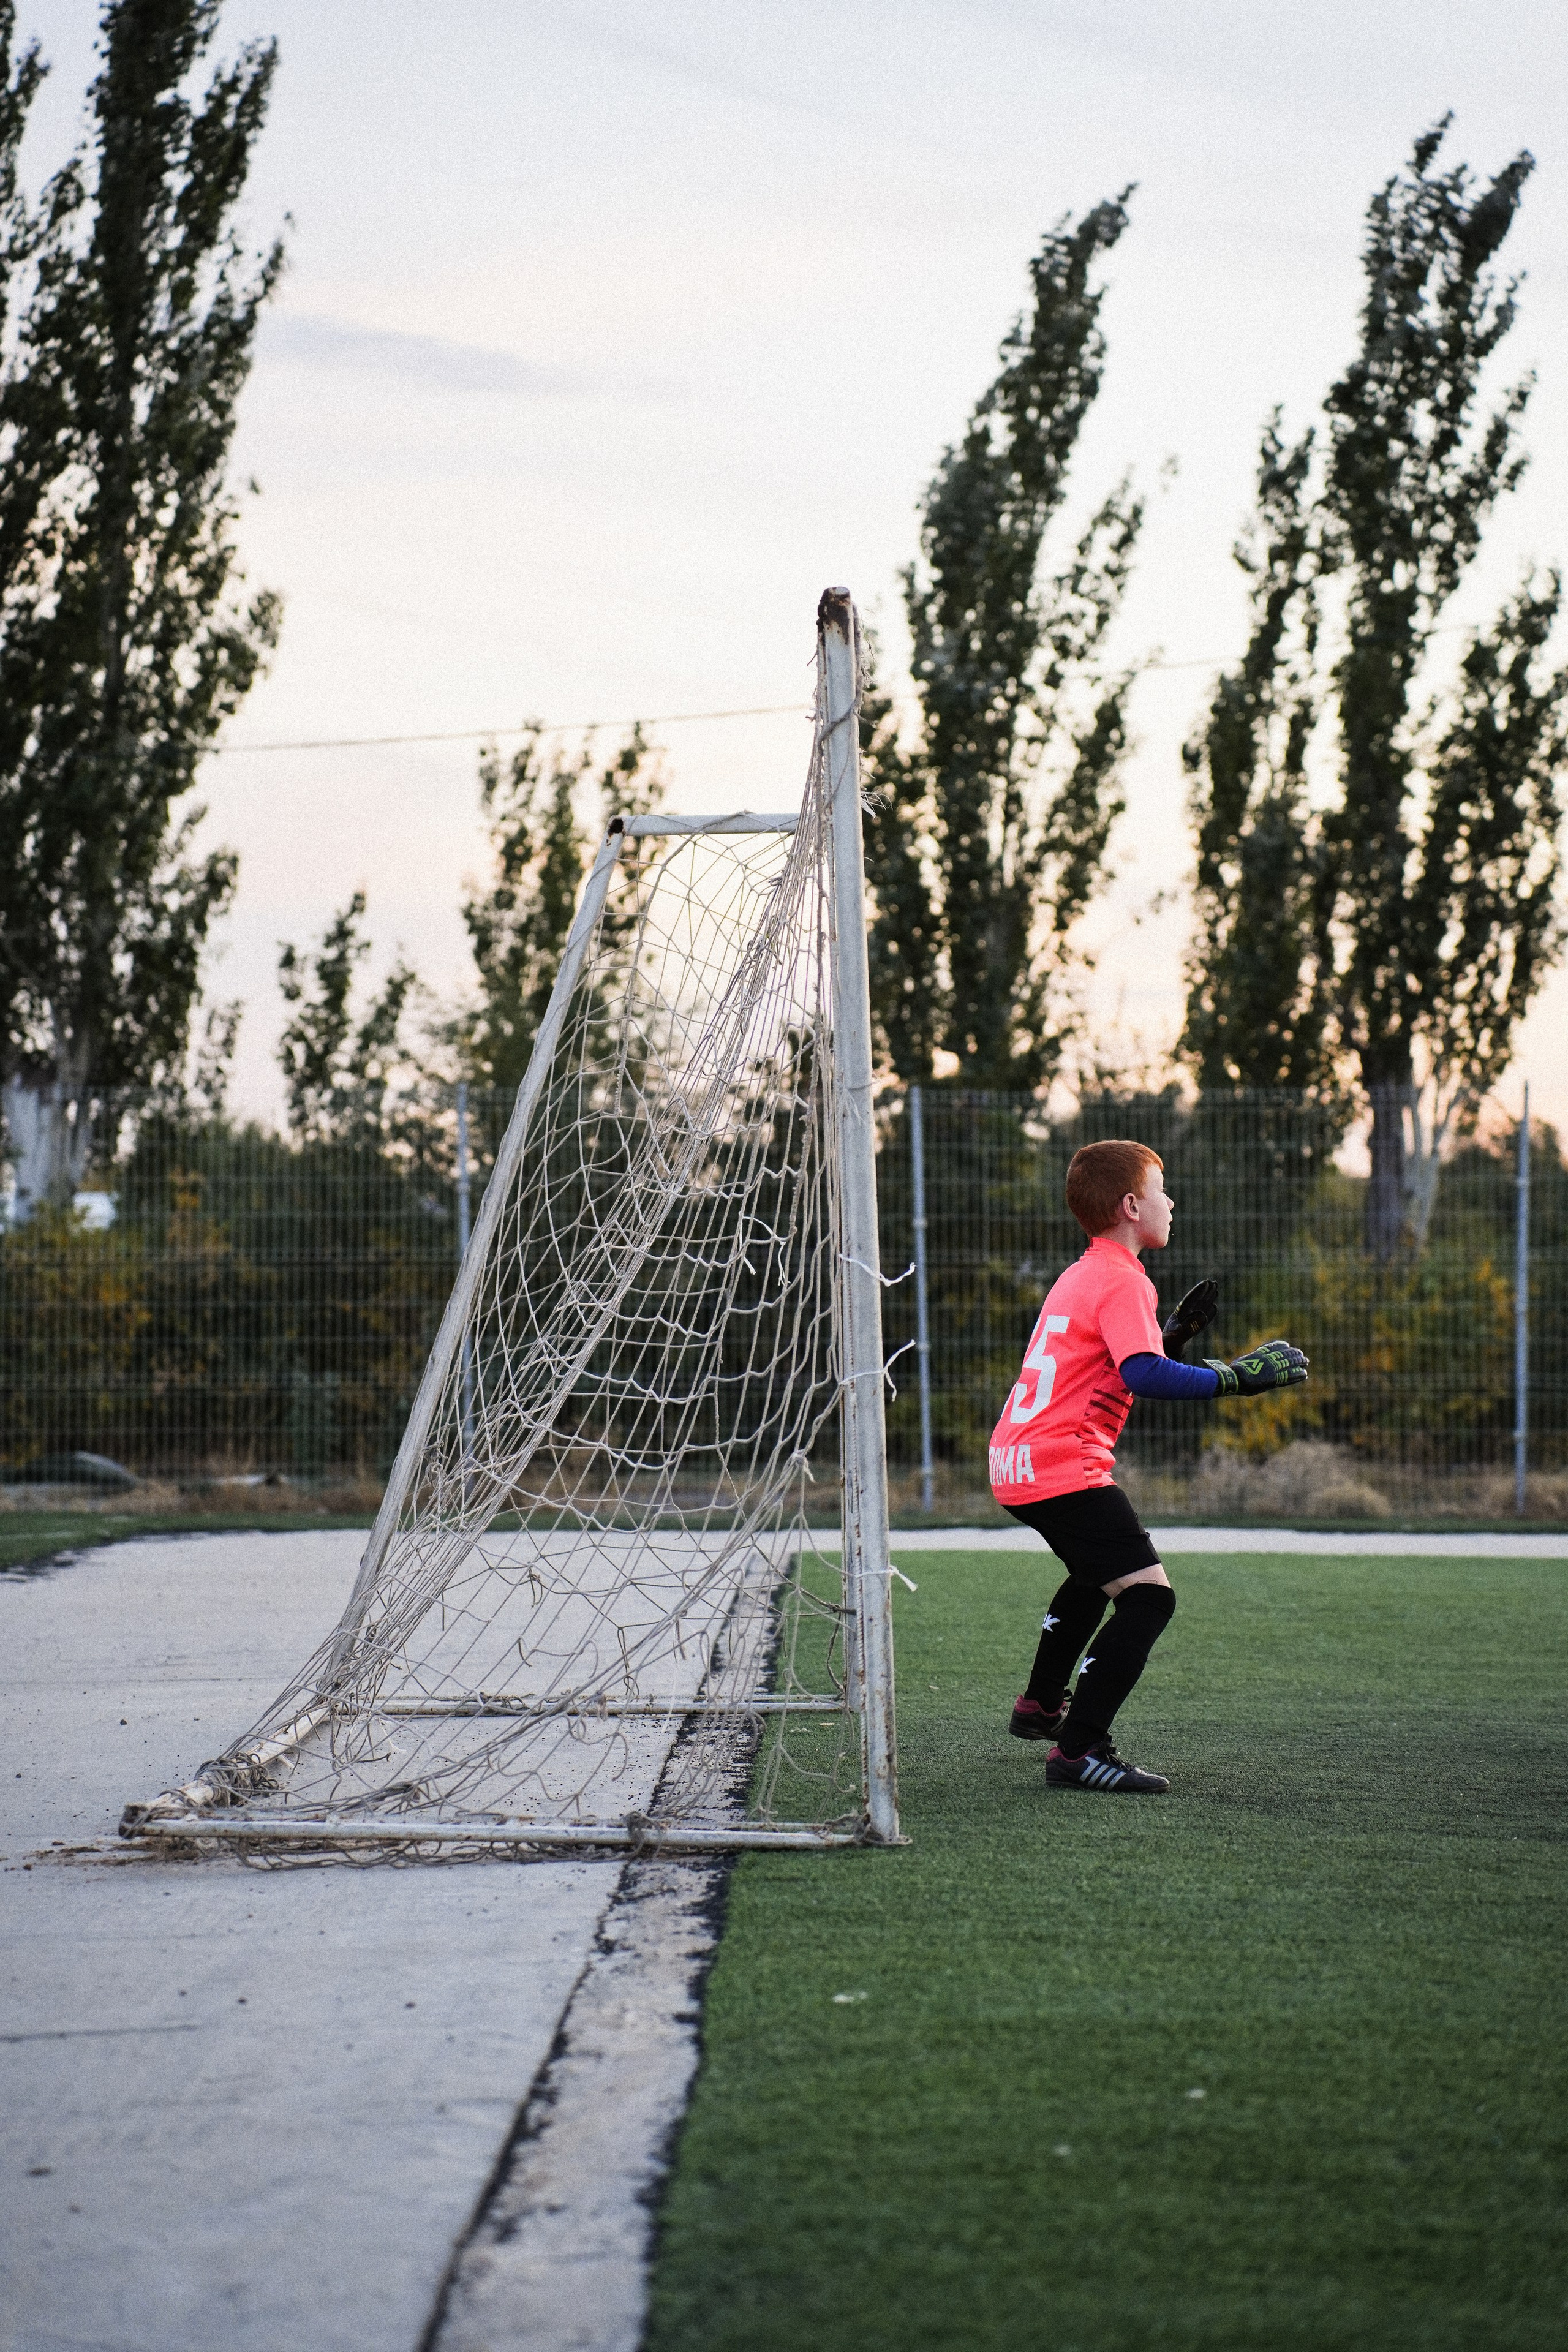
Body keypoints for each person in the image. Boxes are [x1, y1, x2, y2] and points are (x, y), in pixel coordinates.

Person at [988, 1138, 1308, 1794]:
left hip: (1017, 1459)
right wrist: (1235, 1377)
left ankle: (1041, 1706)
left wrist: (1168, 1340)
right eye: (1162, 1190)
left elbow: (1107, 1368)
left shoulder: (1082, 1271)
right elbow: (1143, 1375)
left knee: (1093, 1574)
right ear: (1132, 1205)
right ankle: (1078, 1750)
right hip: (1060, 1464)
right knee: (1149, 1598)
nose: (1171, 1202)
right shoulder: (1124, 1277)